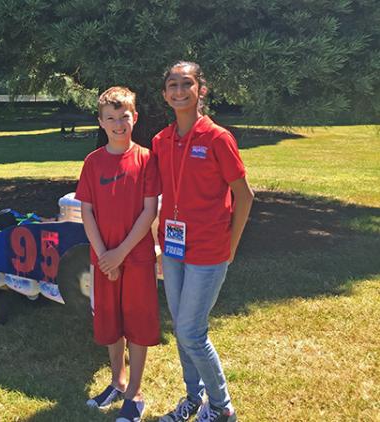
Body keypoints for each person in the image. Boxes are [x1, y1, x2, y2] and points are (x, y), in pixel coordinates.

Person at [153, 62, 254, 422]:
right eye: (172, 85)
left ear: (201, 90)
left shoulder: (217, 138)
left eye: (187, 84)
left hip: (209, 251)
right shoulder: (161, 141)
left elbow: (244, 196)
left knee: (191, 330)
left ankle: (222, 406)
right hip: (174, 248)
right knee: (182, 329)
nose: (179, 91)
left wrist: (232, 246)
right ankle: (193, 400)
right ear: (165, 94)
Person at [75, 86, 161, 422]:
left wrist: (120, 254)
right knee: (111, 325)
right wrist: (103, 255)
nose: (117, 124)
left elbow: (149, 211)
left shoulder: (146, 159)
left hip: (135, 259)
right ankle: (118, 381)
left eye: (123, 116)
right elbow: (86, 212)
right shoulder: (92, 162)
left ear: (134, 117)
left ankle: (135, 394)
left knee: (137, 325)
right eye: (110, 118)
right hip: (104, 261)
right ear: (101, 122)